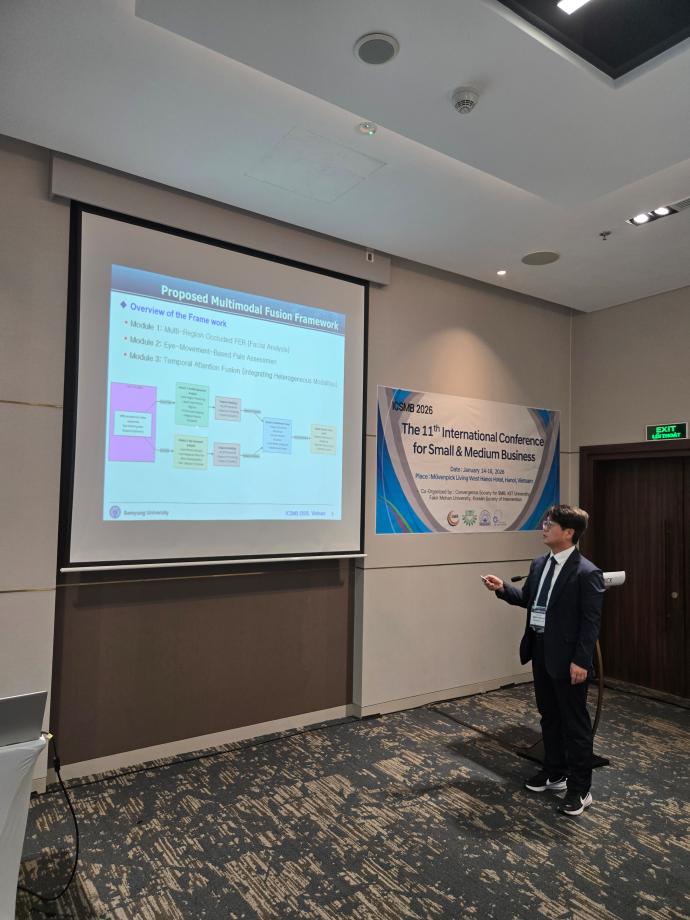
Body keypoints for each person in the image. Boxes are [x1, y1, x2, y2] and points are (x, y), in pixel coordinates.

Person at [482, 504, 604, 816]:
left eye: (550, 524)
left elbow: (590, 623)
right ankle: (555, 772)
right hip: (541, 653)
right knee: (549, 717)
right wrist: (503, 589)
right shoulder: (539, 564)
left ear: (569, 532)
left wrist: (581, 661)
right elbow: (529, 600)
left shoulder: (587, 572)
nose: (544, 527)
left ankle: (580, 789)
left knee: (575, 725)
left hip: (569, 661)